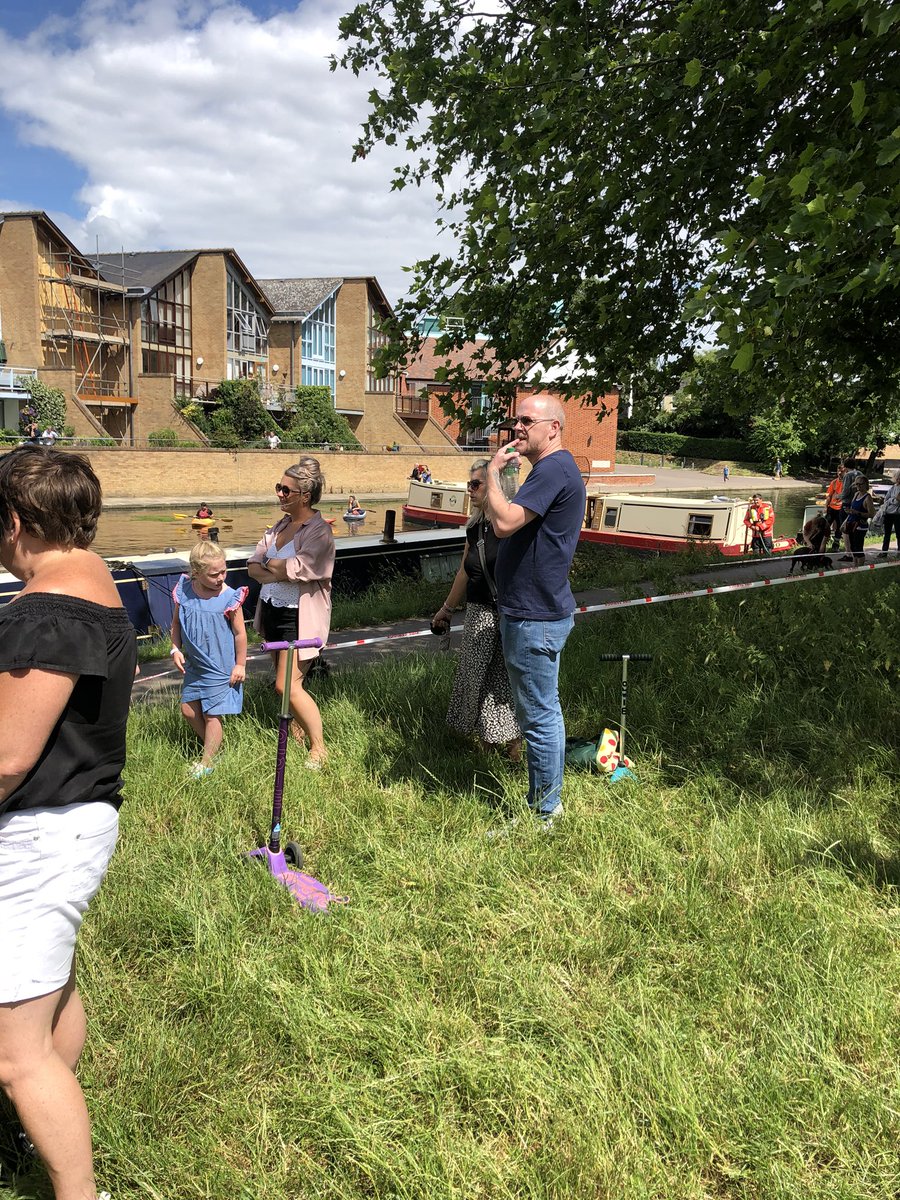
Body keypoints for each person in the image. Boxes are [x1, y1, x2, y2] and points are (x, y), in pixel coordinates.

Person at [0, 445, 136, 1200]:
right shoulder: (95, 582)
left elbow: (7, 755)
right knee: (50, 988)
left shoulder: (47, 610)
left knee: (13, 1054)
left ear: (16, 522)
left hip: (40, 832)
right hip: (75, 819)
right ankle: (40, 1117)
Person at [484, 394, 586, 828]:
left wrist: (490, 473)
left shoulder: (554, 468)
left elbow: (504, 523)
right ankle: (546, 804)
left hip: (534, 616)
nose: (518, 427)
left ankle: (545, 812)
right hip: (534, 612)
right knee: (543, 711)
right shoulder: (548, 471)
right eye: (515, 420)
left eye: (527, 420)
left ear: (554, 428)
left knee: (539, 716)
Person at [247, 458, 335, 769]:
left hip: (298, 616)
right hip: (272, 610)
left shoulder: (319, 532)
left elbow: (300, 567)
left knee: (287, 686)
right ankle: (296, 731)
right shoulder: (280, 526)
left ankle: (319, 748)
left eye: (287, 489)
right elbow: (253, 565)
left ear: (305, 496)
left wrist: (275, 568)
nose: (280, 494)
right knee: (287, 682)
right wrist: (278, 571)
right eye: (279, 487)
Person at [432, 459, 521, 759]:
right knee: (476, 678)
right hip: (478, 612)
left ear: (494, 485)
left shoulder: (510, 525)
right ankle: (488, 745)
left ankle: (514, 746)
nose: (469, 490)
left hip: (508, 614)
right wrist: (446, 609)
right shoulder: (475, 527)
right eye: (468, 483)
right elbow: (464, 571)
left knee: (503, 680)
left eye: (475, 484)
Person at [170, 541, 248, 778]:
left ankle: (207, 762)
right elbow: (176, 624)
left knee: (212, 713)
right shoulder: (184, 591)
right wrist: (175, 649)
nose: (221, 578)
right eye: (214, 574)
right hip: (196, 664)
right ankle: (214, 748)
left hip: (220, 665)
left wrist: (240, 664)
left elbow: (240, 633)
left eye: (223, 571)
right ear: (196, 572)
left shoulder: (229, 597)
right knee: (188, 709)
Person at [841, 475, 875, 565]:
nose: (858, 487)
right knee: (853, 547)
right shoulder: (856, 494)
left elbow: (872, 514)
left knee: (858, 548)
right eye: (856, 484)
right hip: (851, 523)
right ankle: (855, 566)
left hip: (860, 525)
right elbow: (852, 509)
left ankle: (860, 568)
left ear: (865, 484)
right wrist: (848, 515)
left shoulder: (868, 498)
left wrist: (857, 513)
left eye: (860, 484)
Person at [877, 469, 900, 557]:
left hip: (898, 514)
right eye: (897, 477)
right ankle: (884, 551)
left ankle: (899, 552)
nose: (898, 479)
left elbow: (897, 501)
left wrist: (892, 500)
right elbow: (886, 499)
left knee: (899, 534)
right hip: (888, 513)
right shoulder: (893, 487)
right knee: (887, 534)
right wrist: (893, 499)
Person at [823, 465, 846, 548]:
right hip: (832, 507)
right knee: (826, 524)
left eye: (842, 471)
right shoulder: (834, 482)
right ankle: (823, 542)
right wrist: (826, 507)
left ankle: (836, 543)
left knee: (839, 527)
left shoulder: (847, 483)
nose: (839, 473)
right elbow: (829, 495)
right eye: (838, 471)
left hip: (841, 508)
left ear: (845, 471)